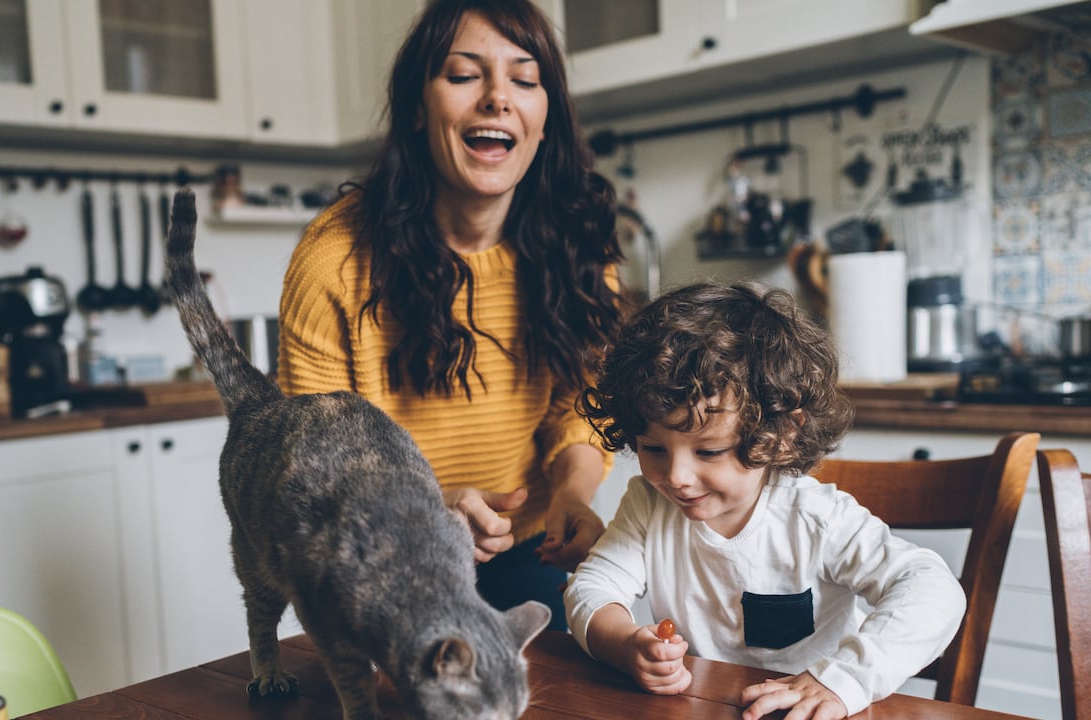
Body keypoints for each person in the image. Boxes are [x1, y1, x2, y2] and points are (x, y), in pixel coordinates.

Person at [277, 0, 623, 630]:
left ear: (545, 120)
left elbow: (580, 402)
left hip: (529, 552)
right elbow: (315, 462)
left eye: (524, 79)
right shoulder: (334, 259)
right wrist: (426, 509)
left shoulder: (577, 244)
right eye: (464, 76)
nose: (497, 98)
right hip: (383, 556)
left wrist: (573, 493)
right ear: (417, 108)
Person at [564, 282, 966, 719]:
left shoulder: (814, 517)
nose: (675, 478)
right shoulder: (647, 505)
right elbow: (592, 587)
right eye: (653, 449)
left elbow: (933, 588)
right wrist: (624, 645)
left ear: (780, 435)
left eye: (709, 451)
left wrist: (842, 679)